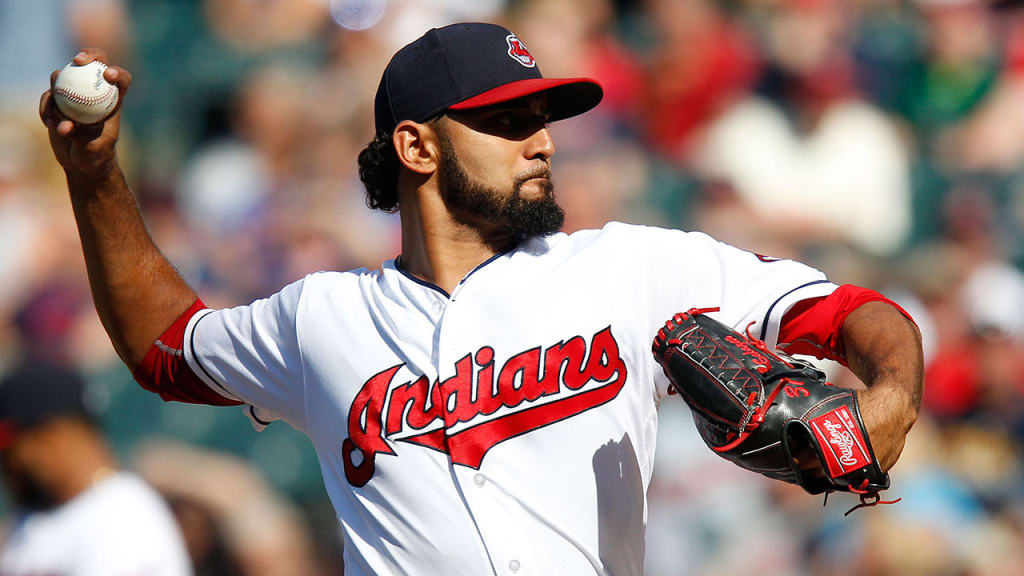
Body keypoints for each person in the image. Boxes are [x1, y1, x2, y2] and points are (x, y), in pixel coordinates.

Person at [39, 22, 923, 576]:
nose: (542, 142)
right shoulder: (321, 318)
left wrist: (890, 399)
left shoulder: (631, 267)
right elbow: (164, 346)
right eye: (504, 123)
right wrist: (95, 176)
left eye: (540, 119)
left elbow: (847, 311)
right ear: (416, 148)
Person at [0, 362, 192, 576]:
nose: (7, 465)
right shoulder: (33, 516)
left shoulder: (123, 518)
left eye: (8, 450)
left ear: (51, 437)